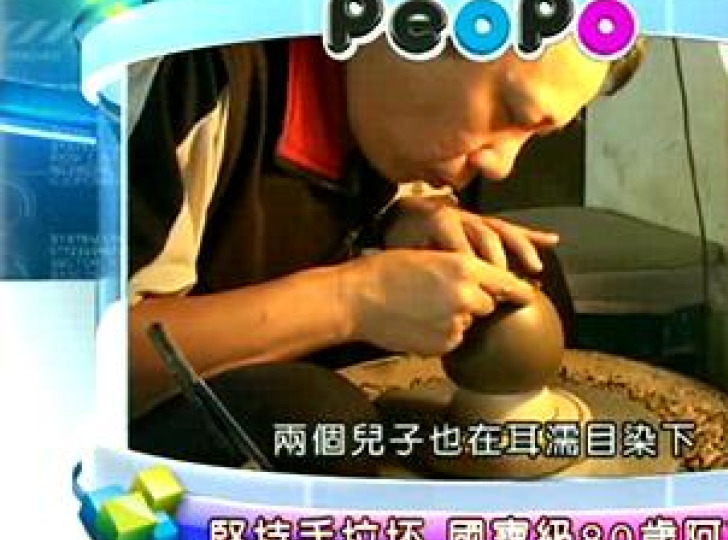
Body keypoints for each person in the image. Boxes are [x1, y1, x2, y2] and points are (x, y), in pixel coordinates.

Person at [127, 35, 644, 474]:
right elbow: (95, 358)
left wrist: (408, 215)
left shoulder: (382, 100)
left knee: (520, 271)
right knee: (316, 421)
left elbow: (348, 194)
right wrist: (350, 300)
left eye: (536, 135)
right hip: (132, 409)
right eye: (511, 113)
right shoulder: (195, 63)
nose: (502, 166)